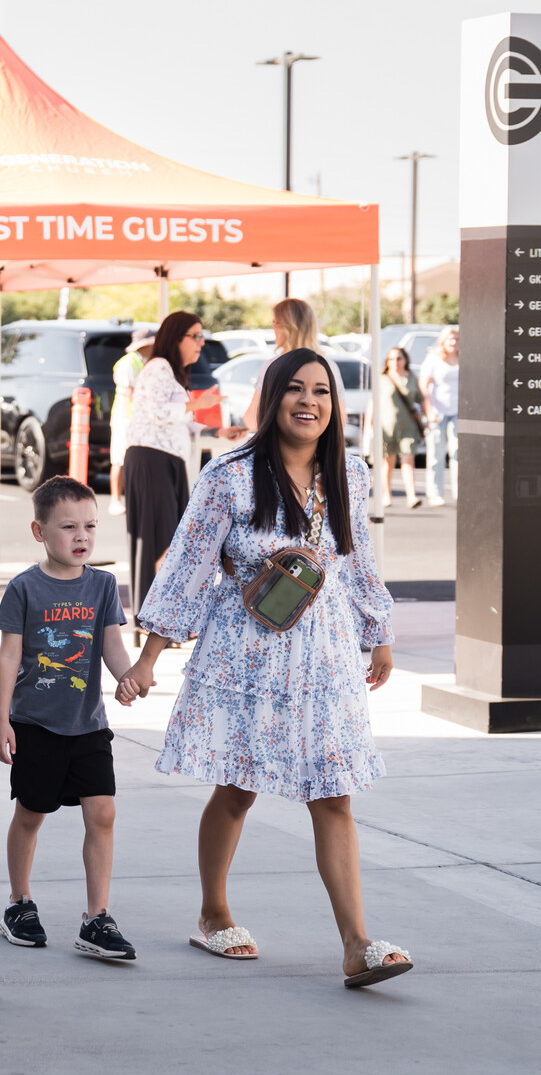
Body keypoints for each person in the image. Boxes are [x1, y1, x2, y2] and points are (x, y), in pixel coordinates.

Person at [117, 349, 413, 988]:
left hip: (326, 656)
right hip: (246, 655)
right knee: (237, 786)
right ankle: (212, 912)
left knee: (334, 794)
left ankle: (357, 943)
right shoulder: (230, 475)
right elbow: (189, 565)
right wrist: (147, 658)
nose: (310, 403)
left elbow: (355, 559)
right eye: (297, 390)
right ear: (274, 397)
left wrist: (377, 632)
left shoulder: (350, 475)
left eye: (323, 393)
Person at [0, 475, 136, 960]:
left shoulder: (102, 585)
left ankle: (96, 917)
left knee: (104, 812)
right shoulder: (24, 588)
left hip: (88, 725)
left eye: (90, 527)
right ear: (39, 530)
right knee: (31, 814)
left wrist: (126, 676)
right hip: (35, 724)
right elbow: (8, 657)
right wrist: (1, 721)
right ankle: (19, 902)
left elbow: (111, 644)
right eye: (68, 527)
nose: (81, 537)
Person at [123, 311, 207, 640]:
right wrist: (197, 405)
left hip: (168, 459)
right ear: (177, 338)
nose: (201, 343)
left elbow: (179, 423)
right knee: (157, 539)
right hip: (150, 458)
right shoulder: (157, 366)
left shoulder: (172, 373)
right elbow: (158, 412)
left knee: (171, 539)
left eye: (202, 336)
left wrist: (217, 427)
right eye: (195, 336)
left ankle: (164, 617)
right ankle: (150, 618)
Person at [231, 297, 346, 438]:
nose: (273, 328)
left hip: (280, 451)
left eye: (275, 322)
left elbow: (253, 419)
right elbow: (340, 420)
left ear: (286, 327)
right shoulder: (329, 367)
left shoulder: (275, 366)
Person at [367, 346, 425, 509]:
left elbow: (421, 399)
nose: (395, 362)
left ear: (405, 360)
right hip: (386, 426)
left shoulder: (412, 377)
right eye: (391, 359)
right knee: (388, 462)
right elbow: (373, 402)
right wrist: (368, 425)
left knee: (408, 459)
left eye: (399, 358)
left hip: (408, 426)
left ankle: (411, 495)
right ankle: (386, 495)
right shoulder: (382, 378)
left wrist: (428, 418)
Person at [107, 326, 154, 515]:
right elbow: (130, 393)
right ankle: (115, 500)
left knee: (135, 459)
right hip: (125, 418)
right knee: (120, 459)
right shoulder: (127, 364)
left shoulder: (144, 362)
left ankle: (134, 499)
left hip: (138, 418)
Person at [420, 326, 459, 505]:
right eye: (450, 339)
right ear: (443, 342)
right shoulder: (434, 359)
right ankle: (435, 492)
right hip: (438, 412)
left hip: (458, 412)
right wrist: (429, 411)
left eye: (456, 339)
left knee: (458, 451)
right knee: (436, 453)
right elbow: (424, 386)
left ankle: (460, 491)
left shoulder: (463, 359)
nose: (454, 342)